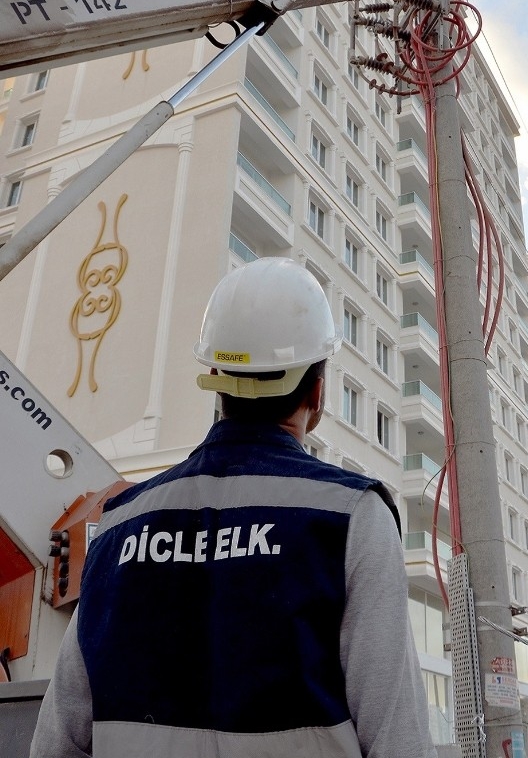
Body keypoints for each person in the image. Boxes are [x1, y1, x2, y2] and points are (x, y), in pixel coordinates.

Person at [30, 257, 438, 758]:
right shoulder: (351, 517)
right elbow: (400, 741)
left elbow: (57, 742)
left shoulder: (118, 525)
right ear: (318, 388)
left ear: (216, 379)